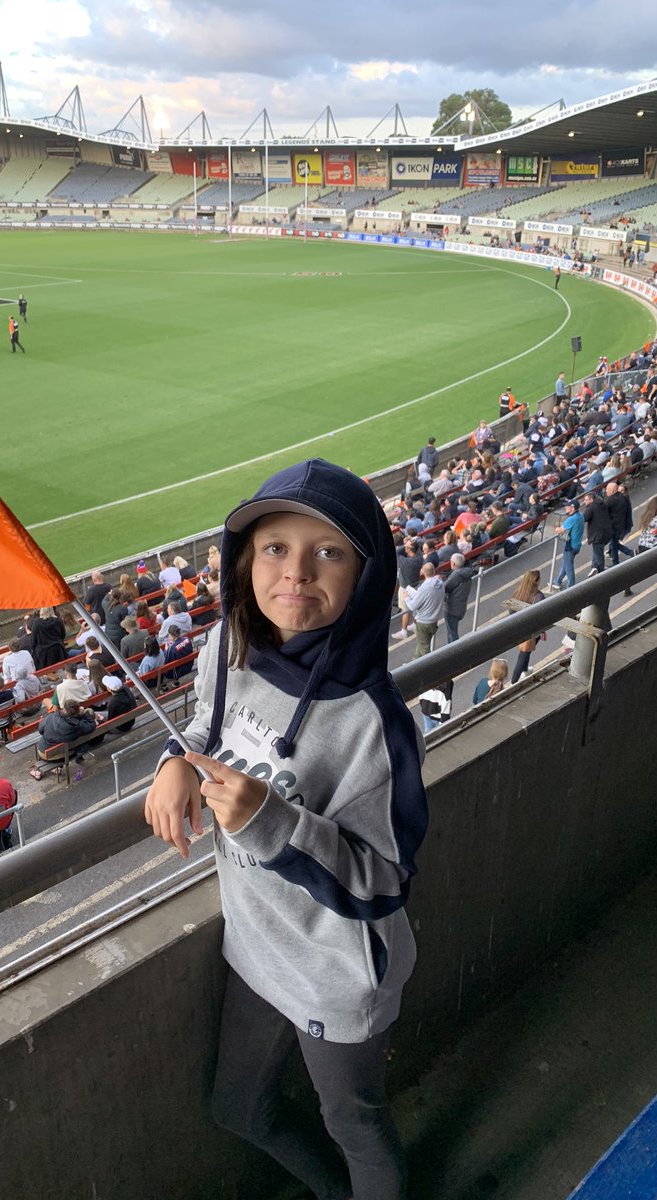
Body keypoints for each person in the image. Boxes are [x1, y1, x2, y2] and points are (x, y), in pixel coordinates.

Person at [144, 458, 428, 1200]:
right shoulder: (224, 646)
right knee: (236, 1107)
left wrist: (273, 823)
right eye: (274, 548)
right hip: (255, 946)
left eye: (328, 551)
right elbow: (204, 727)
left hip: (337, 974)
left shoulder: (378, 727)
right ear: (244, 560)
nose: (295, 572)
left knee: (357, 1127)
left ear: (367, 574)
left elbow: (385, 882)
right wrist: (175, 759)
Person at [509, 569, 545, 683]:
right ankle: (514, 681)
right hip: (532, 630)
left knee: (526, 652)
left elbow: (511, 611)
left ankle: (525, 669)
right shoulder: (538, 596)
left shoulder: (517, 593)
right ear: (537, 581)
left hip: (518, 629)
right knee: (524, 654)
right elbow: (542, 614)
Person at [406, 561, 445, 656]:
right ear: (434, 571)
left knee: (424, 648)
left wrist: (407, 597)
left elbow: (412, 606)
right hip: (433, 620)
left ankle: (428, 667)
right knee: (422, 644)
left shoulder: (424, 588)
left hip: (423, 623)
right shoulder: (440, 583)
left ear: (423, 572)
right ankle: (414, 662)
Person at [442, 553, 475, 644]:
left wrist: (439, 581)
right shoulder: (467, 573)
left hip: (452, 609)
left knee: (452, 633)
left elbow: (445, 588)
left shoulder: (456, 575)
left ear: (453, 564)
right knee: (452, 632)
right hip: (461, 608)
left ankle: (455, 652)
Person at [553, 499, 584, 590]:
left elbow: (560, 530)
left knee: (568, 566)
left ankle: (571, 586)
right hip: (577, 544)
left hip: (570, 546)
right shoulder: (580, 515)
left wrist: (556, 528)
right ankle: (558, 581)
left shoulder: (571, 519)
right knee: (565, 564)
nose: (565, 507)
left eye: (567, 506)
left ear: (572, 508)